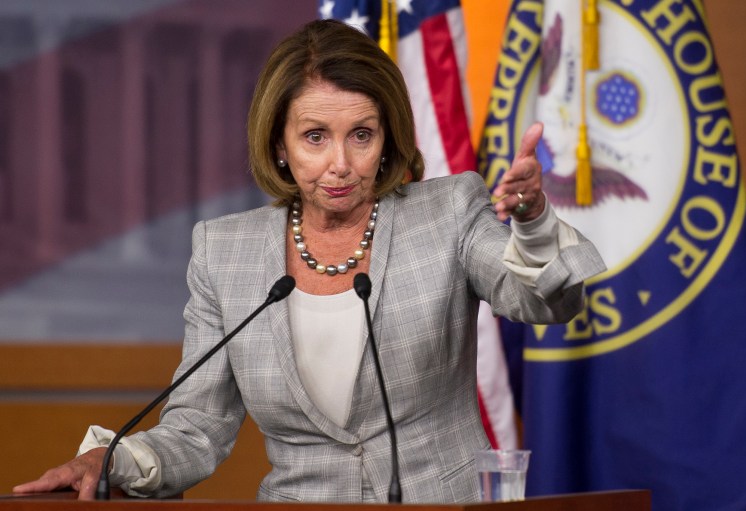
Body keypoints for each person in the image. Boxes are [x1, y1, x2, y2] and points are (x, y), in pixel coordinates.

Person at [14, 19, 605, 503]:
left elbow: (546, 301)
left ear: (388, 137)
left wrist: (529, 220)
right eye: (315, 136)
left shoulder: (448, 212)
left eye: (362, 135)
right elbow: (196, 430)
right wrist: (109, 460)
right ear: (280, 143)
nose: (341, 164)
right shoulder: (227, 254)